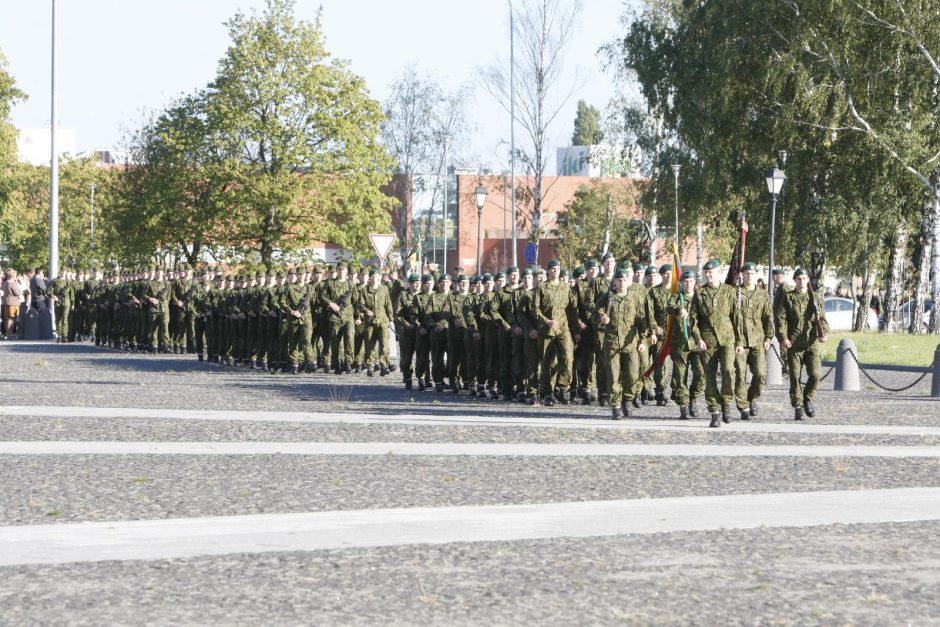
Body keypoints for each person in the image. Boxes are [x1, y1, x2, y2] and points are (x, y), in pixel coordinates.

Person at [595, 267, 654, 419]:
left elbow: (641, 321)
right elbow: (595, 313)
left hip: (630, 343)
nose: (622, 283)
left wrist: (642, 340)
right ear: (614, 281)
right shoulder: (607, 297)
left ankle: (627, 399)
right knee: (613, 375)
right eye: (619, 280)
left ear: (629, 282)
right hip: (612, 342)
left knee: (632, 374)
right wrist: (602, 318)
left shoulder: (635, 298)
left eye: (624, 280)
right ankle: (615, 405)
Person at [689, 258, 740, 428]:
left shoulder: (729, 291)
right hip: (708, 340)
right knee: (709, 376)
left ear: (718, 272)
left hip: (727, 339)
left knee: (728, 370)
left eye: (711, 272)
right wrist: (698, 339)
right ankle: (714, 411)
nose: (708, 275)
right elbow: (693, 320)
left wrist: (739, 341)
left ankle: (726, 401)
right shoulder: (699, 293)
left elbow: (736, 318)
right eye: (706, 273)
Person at [776, 267, 830, 420]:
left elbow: (823, 319)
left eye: (804, 278)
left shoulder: (816, 298)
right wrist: (783, 337)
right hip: (794, 344)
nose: (802, 281)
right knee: (794, 376)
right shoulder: (788, 297)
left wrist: (824, 334)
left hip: (811, 342)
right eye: (799, 279)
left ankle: (807, 398)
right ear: (794, 281)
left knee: (815, 375)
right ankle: (798, 405)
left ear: (808, 280)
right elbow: (781, 319)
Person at [733, 262, 774, 420]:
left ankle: (751, 399)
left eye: (752, 273)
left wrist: (769, 337)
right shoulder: (735, 293)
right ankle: (743, 406)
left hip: (757, 339)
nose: (749, 275)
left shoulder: (762, 294)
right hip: (740, 340)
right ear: (742, 275)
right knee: (740, 375)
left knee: (760, 374)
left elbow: (768, 317)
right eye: (746, 273)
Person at [2, 269, 24, 339]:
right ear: (12, 275)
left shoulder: (5, 282)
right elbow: (17, 293)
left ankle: (8, 333)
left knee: (7, 318)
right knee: (11, 318)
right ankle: (10, 333)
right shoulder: (11, 283)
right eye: (15, 274)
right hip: (12, 302)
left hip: (7, 302)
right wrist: (20, 289)